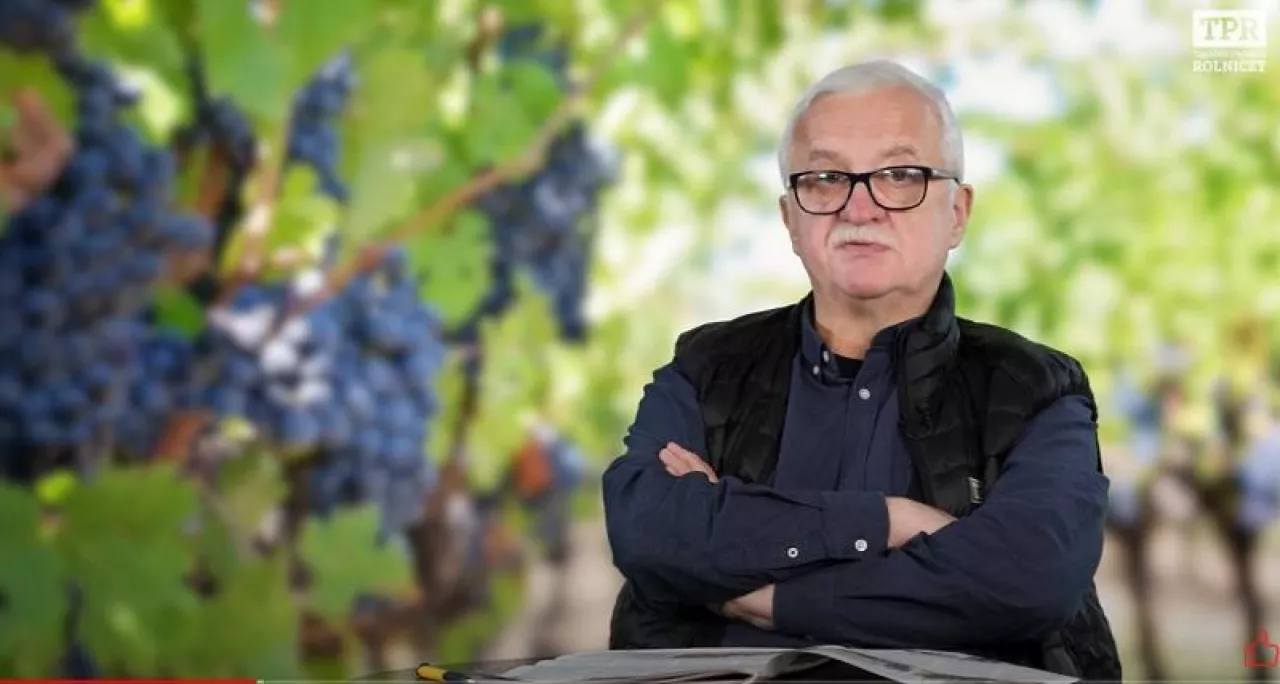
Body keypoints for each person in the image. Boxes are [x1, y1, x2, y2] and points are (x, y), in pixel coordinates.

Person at [600, 59, 1122, 680]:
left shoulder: (1035, 388)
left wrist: (773, 598)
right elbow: (651, 534)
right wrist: (891, 521)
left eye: (900, 175)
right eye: (825, 178)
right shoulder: (706, 367)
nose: (859, 207)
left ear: (957, 213)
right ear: (790, 218)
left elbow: (1026, 579)